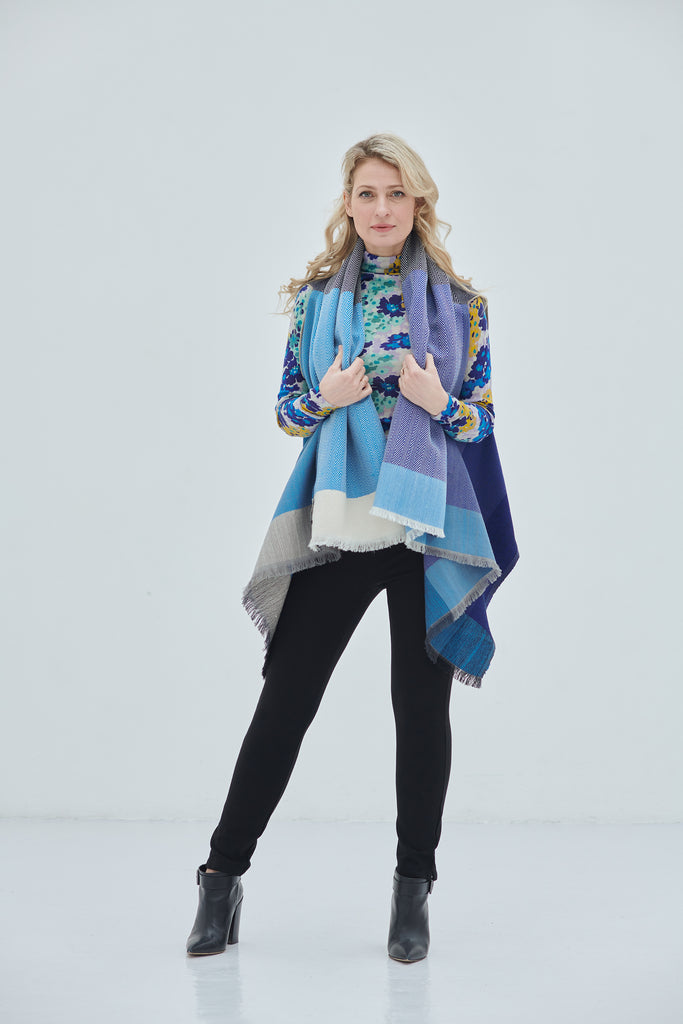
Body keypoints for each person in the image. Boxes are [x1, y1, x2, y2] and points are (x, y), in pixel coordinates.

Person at [186, 133, 518, 963]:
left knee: (421, 713)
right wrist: (327, 396)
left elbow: (478, 421)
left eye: (396, 194)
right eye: (367, 193)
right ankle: (220, 879)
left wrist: (438, 400)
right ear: (347, 202)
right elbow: (289, 412)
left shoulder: (462, 305)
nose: (380, 208)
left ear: (418, 203)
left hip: (424, 528)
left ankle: (413, 890)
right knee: (286, 702)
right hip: (341, 525)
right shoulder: (314, 302)